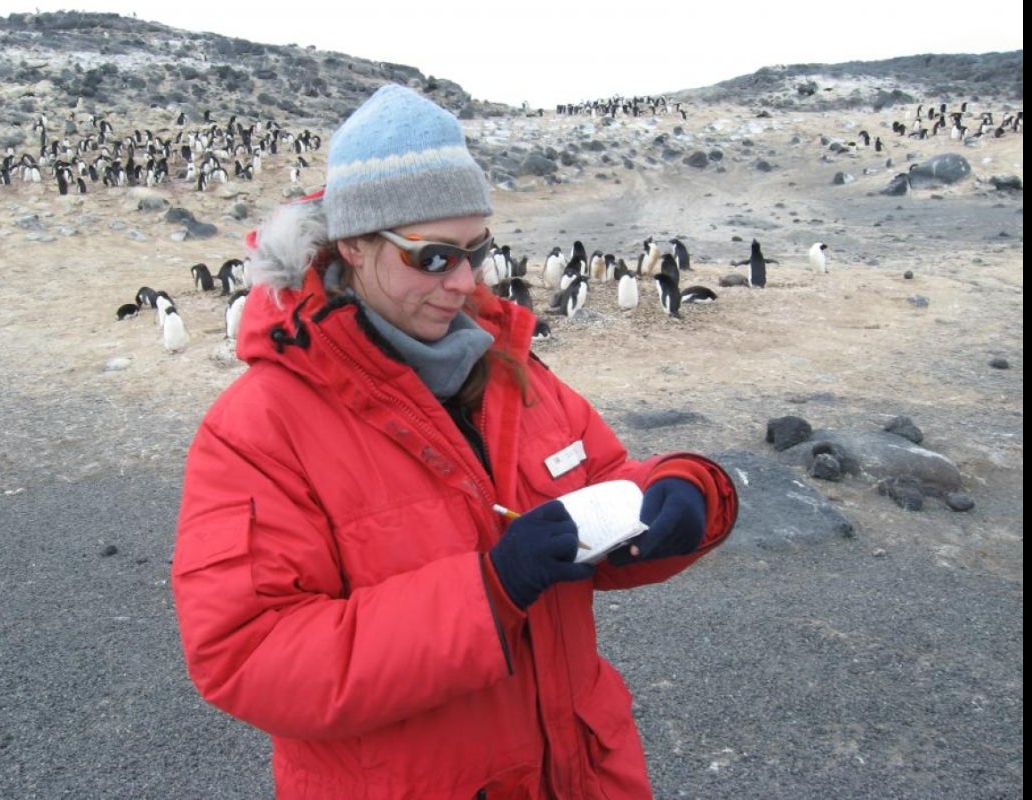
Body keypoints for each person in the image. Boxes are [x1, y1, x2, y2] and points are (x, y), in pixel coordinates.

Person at [171, 83, 739, 799]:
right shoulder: (259, 428)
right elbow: (247, 654)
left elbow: (610, 480)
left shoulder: (506, 368)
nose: (465, 280)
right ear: (355, 243)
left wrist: (687, 489)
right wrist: (489, 591)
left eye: (477, 249)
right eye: (434, 257)